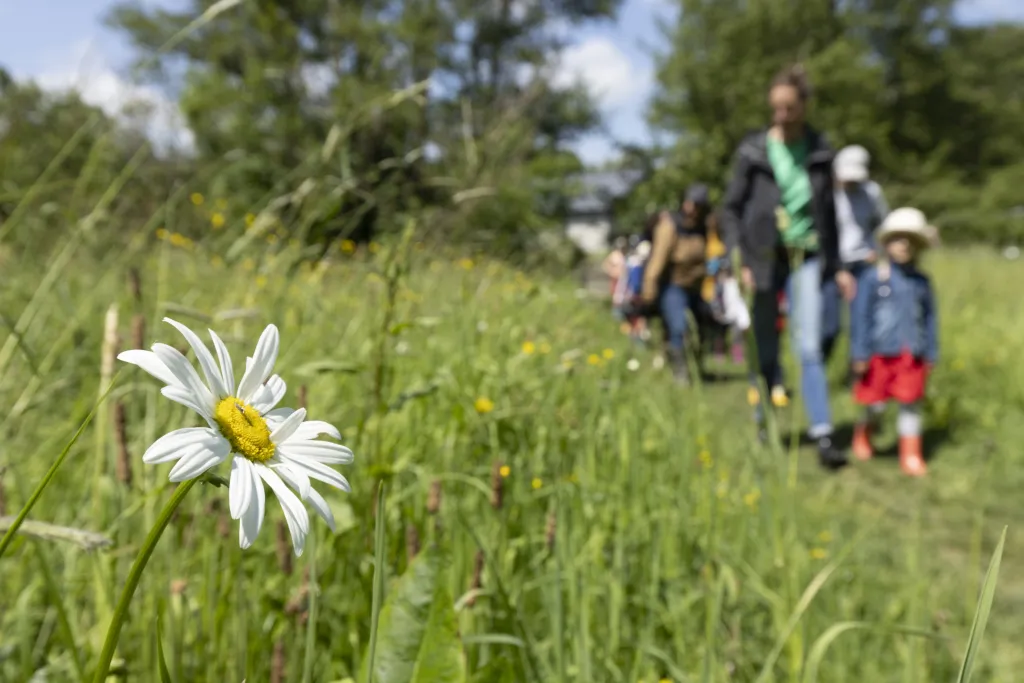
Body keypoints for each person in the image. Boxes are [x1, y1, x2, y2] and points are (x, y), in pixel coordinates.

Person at [720, 64, 853, 468]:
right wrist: (736, 256)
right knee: (765, 344)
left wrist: (840, 265)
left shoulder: (819, 151)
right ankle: (765, 423)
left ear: (804, 106)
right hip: (760, 259)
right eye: (775, 107)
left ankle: (823, 433)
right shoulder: (754, 151)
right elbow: (730, 209)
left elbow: (830, 214)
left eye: (789, 108)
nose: (781, 115)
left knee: (809, 344)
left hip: (807, 256)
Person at [850, 208, 938, 476]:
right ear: (887, 243)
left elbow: (931, 318)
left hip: (912, 354)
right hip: (879, 353)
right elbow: (860, 317)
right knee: (876, 404)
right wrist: (860, 353)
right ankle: (864, 433)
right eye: (898, 238)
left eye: (910, 240)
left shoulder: (922, 282)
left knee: (910, 404)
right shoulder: (873, 278)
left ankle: (910, 454)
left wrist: (931, 352)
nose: (903, 245)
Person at [822, 144, 890, 367]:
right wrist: (837, 268)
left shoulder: (872, 192)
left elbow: (884, 226)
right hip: (833, 264)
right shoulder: (828, 194)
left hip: (862, 263)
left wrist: (877, 251)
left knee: (860, 322)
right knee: (830, 325)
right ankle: (817, 371)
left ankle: (858, 376)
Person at [641, 184, 711, 385]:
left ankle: (695, 368)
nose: (693, 208)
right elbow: (657, 260)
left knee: (699, 329)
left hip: (695, 288)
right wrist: (649, 291)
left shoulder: (703, 228)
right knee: (679, 327)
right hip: (673, 286)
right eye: (691, 203)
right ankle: (680, 373)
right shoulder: (670, 226)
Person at [603, 236, 627, 319]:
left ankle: (620, 315)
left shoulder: (622, 255)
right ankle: (615, 315)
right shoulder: (614, 255)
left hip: (622, 278)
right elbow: (606, 264)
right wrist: (611, 272)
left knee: (621, 297)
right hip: (615, 278)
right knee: (616, 297)